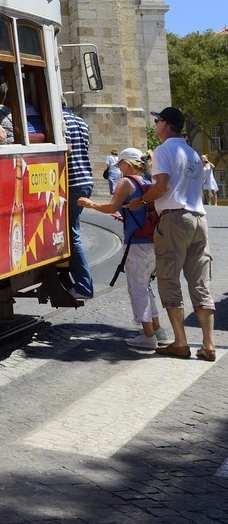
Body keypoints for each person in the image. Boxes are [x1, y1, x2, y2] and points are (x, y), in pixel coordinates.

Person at [139, 107, 216, 361]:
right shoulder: (193, 153)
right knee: (200, 282)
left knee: (169, 278)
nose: (156, 125)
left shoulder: (163, 150)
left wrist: (142, 200)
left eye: (158, 120)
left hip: (174, 220)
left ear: (166, 124)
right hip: (199, 219)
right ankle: (208, 345)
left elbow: (162, 187)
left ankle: (181, 342)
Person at [79, 148, 169, 352]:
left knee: (137, 287)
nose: (119, 169)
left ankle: (147, 336)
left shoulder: (126, 182)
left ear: (127, 164)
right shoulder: (146, 182)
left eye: (120, 165)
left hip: (136, 242)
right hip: (151, 240)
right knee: (145, 286)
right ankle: (158, 331)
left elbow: (111, 206)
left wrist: (90, 204)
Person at [60, 104, 94, 300]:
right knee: (73, 231)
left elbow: (68, 150)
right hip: (85, 180)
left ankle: (83, 285)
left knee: (73, 234)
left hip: (72, 183)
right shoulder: (81, 122)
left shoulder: (62, 122)